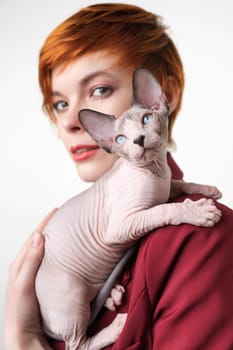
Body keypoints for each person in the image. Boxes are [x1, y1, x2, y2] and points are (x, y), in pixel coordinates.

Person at [4, 3, 233, 350]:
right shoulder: (87, 231)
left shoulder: (199, 236)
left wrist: (22, 341)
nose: (70, 121)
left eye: (99, 89)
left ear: (161, 97)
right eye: (59, 103)